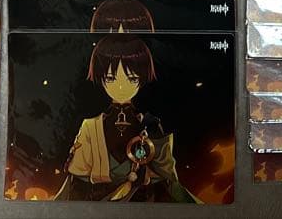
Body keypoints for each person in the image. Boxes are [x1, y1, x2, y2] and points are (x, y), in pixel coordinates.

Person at [55, 35, 195, 201]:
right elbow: (76, 183)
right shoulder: (90, 127)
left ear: (141, 79)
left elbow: (168, 178)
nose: (121, 87)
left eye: (132, 78)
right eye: (110, 78)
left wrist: (156, 138)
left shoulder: (149, 125)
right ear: (101, 78)